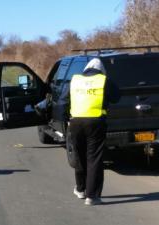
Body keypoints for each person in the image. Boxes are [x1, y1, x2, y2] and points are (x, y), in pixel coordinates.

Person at [68, 58, 120, 205]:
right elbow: (117, 97)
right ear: (101, 70)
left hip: (76, 121)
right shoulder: (103, 80)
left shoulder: (75, 80)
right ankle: (92, 196)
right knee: (94, 158)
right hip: (95, 122)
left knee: (79, 156)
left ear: (86, 68)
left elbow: (66, 99)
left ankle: (80, 189)